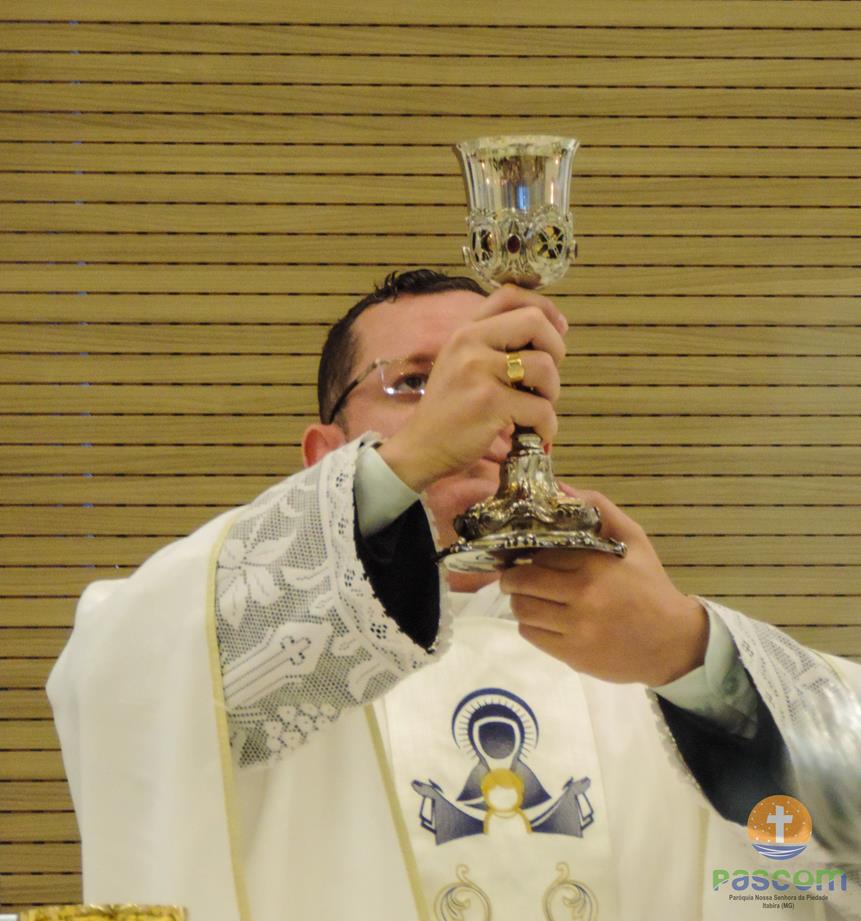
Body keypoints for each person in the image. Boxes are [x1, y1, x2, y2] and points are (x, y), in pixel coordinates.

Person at [48, 270, 860, 921]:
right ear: (325, 454)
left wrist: (690, 654)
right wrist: (408, 463)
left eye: (503, 380)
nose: (478, 411)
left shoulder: (643, 645)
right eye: (415, 383)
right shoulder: (244, 635)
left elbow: (840, 818)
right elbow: (121, 675)